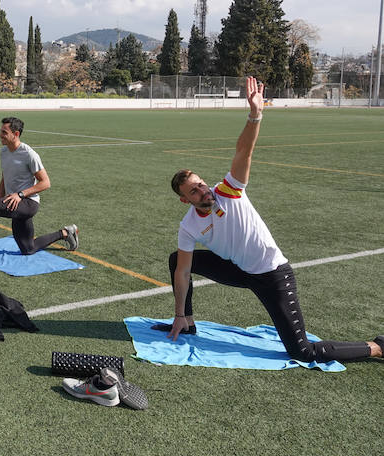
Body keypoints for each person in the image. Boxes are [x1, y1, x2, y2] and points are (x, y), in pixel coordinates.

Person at [162, 76, 383, 363]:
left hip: (272, 275)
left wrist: (255, 115)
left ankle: (377, 346)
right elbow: (182, 272)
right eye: (194, 190)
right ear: (185, 200)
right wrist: (179, 315)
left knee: (302, 351)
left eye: (201, 184)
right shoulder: (189, 225)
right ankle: (188, 324)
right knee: (176, 260)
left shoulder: (228, 191)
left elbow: (244, 151)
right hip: (240, 270)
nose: (203, 190)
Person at [0, 116, 78, 272]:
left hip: (28, 203)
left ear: (16, 134)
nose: (0, 135)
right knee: (28, 249)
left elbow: (45, 183)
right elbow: (5, 178)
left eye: (4, 132)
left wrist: (20, 195)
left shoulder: (29, 154)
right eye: (1, 131)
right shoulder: (4, 152)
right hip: (14, 202)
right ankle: (65, 233)